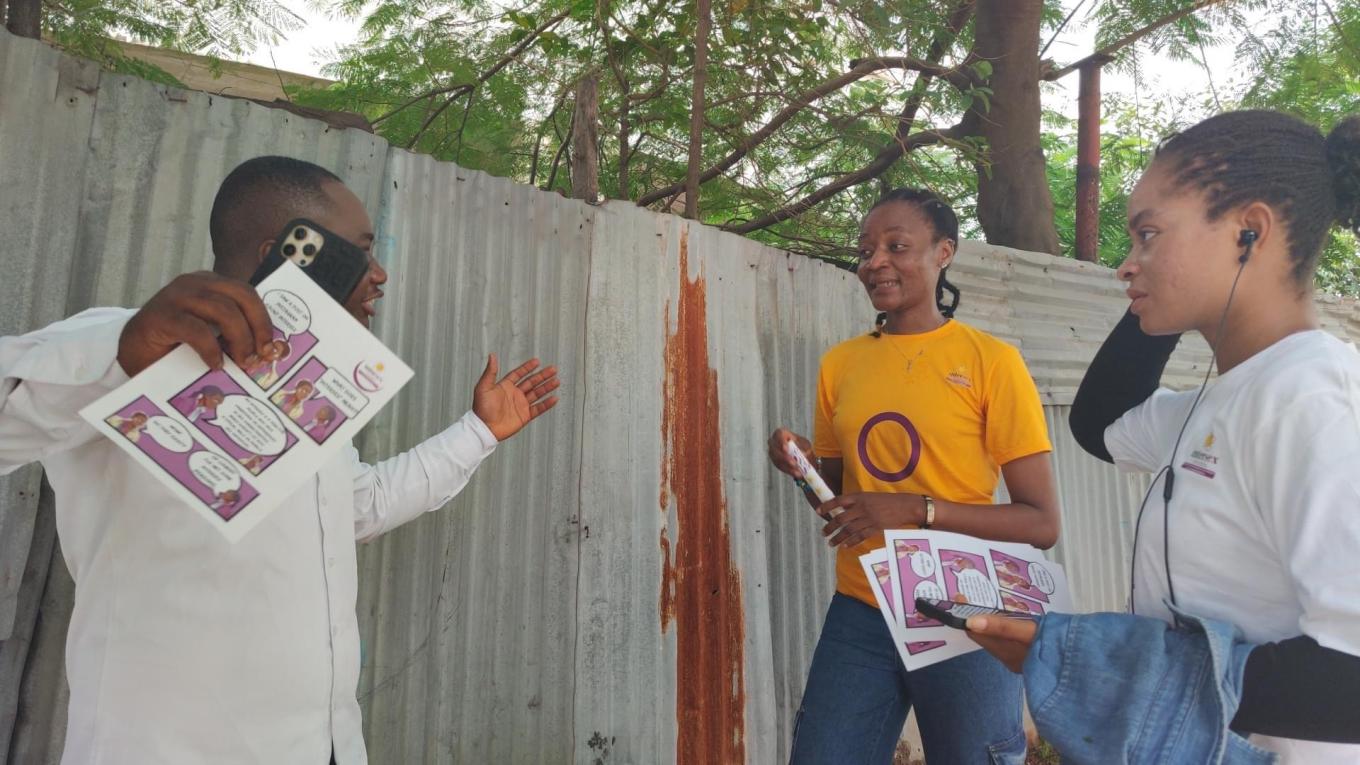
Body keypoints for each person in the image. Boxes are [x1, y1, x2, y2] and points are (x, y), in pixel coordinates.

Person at [0, 155, 562, 764]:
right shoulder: (125, 343)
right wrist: (121, 357)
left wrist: (478, 433)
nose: (379, 275)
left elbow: (356, 508)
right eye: (361, 251)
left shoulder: (306, 397)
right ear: (292, 252)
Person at [968, 111, 1360, 763]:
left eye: (1148, 234)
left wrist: (1103, 663)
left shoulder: (1313, 402)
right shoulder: (1221, 400)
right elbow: (1101, 423)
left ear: (1250, 231)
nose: (1126, 265)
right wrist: (1169, 287)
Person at [767, 188, 1060, 764]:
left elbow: (1040, 523)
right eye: (866, 250)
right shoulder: (841, 363)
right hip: (861, 607)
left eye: (897, 247)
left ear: (943, 252)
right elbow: (837, 505)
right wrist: (800, 467)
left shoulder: (989, 362)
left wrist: (914, 510)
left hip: (963, 607)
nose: (875, 262)